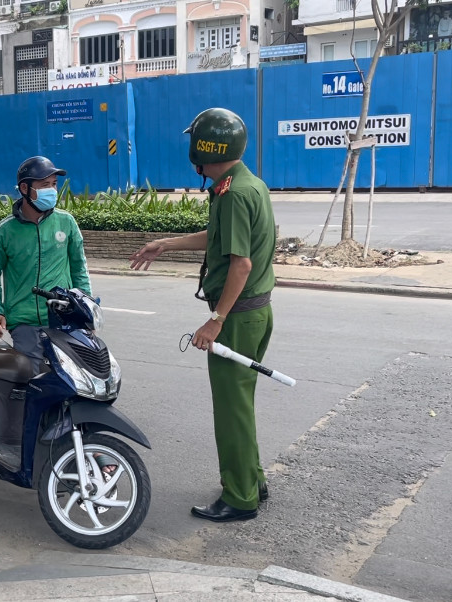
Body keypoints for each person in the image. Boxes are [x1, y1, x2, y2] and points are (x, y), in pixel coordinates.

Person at [129, 107, 276, 523]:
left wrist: (215, 320)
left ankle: (240, 498)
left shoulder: (233, 193)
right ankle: (252, 481)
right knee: (240, 407)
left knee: (231, 412)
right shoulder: (248, 184)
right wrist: (166, 244)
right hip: (257, 314)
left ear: (204, 147)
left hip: (238, 318)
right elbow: (220, 238)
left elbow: (240, 265)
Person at [0, 156, 91, 367]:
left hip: (64, 318)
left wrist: (85, 308)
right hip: (24, 322)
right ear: (24, 188)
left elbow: (79, 269)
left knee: (77, 381)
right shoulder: (4, 231)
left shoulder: (66, 222)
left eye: (54, 185)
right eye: (44, 185)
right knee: (31, 380)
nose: (51, 190)